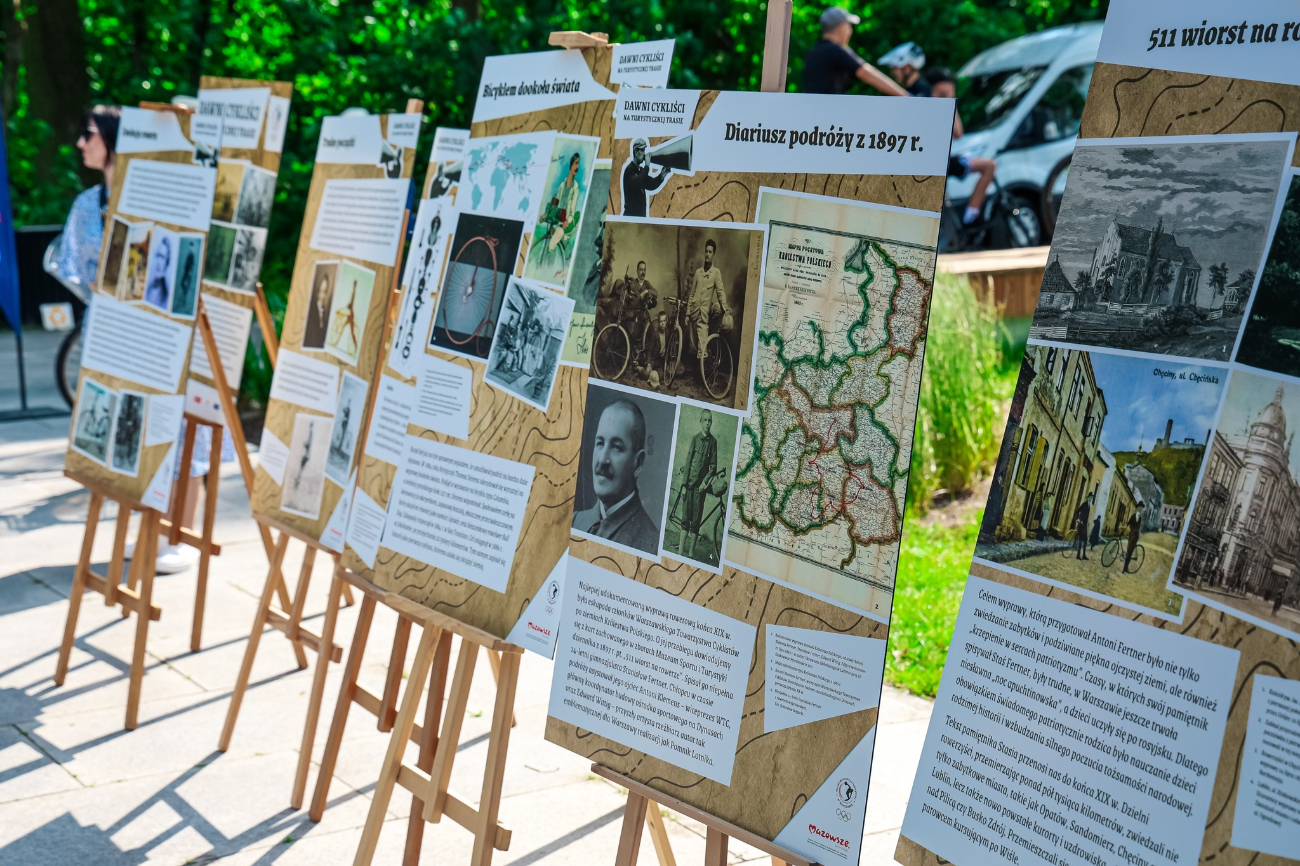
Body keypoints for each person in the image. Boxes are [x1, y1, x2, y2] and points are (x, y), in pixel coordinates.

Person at [573, 399, 659, 554]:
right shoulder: (574, 520)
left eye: (616, 447)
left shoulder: (651, 545)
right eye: (600, 443)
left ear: (638, 463)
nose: (602, 460)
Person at [58, 105, 122, 287]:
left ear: (114, 134)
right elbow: (77, 272)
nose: (80, 143)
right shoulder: (85, 203)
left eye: (88, 133)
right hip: (102, 312)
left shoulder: (153, 201)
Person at [925, 67, 996, 226]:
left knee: (987, 164)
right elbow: (957, 132)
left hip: (943, 160)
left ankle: (970, 214)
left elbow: (957, 134)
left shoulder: (936, 103)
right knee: (989, 166)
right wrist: (948, 100)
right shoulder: (933, 105)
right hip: (939, 164)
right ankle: (970, 216)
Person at [803, 8, 907, 96]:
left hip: (816, 114)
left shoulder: (814, 53)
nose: (850, 31)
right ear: (841, 28)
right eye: (849, 26)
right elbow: (866, 72)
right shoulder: (835, 51)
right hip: (829, 114)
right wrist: (905, 96)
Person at [678, 412, 718, 560]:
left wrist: (704, 483)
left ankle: (690, 555)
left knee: (695, 521)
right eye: (705, 420)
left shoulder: (713, 442)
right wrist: (683, 485)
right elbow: (688, 462)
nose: (707, 423)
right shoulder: (695, 439)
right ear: (700, 422)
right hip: (689, 485)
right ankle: (680, 552)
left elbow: (713, 467)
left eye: (710, 421)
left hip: (700, 488)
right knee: (685, 519)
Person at [687, 239, 730, 369]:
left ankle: (704, 376)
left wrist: (725, 306)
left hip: (704, 314)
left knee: (702, 345)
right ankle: (699, 370)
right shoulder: (698, 273)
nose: (707, 254)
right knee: (693, 345)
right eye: (706, 251)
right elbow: (692, 293)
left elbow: (720, 291)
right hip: (694, 312)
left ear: (713, 254)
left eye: (710, 252)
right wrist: (687, 313)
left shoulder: (716, 273)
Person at [622, 139, 671, 217]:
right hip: (631, 216)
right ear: (636, 152)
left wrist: (662, 175)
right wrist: (647, 166)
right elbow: (638, 182)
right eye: (642, 151)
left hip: (641, 215)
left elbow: (651, 184)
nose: (644, 154)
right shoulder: (629, 170)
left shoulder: (640, 171)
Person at [144, 234, 173, 311]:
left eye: (162, 257)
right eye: (158, 255)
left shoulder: (167, 298)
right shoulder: (147, 288)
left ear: (167, 263)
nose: (159, 262)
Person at [1073, 494, 1092, 560]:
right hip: (1081, 524)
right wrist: (1078, 519)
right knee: (1081, 540)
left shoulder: (1089, 505)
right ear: (1087, 498)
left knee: (1085, 540)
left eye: (1091, 498)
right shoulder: (1085, 504)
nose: (1090, 499)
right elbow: (1078, 511)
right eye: (1089, 497)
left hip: (1084, 525)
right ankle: (1078, 555)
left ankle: (1083, 555)